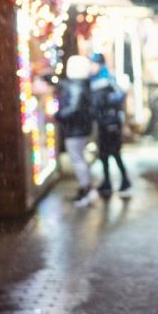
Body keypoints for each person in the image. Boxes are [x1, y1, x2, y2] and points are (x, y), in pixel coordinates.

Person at [55, 55, 98, 206]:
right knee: (80, 159)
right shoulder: (81, 84)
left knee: (77, 159)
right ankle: (86, 189)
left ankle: (87, 190)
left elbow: (73, 108)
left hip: (75, 129)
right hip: (80, 128)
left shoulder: (77, 86)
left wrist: (59, 115)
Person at [89, 53, 132, 198]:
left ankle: (124, 181)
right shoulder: (94, 79)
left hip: (111, 122)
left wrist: (107, 103)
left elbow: (120, 95)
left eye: (93, 63)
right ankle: (107, 182)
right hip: (103, 122)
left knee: (114, 152)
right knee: (104, 154)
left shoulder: (107, 78)